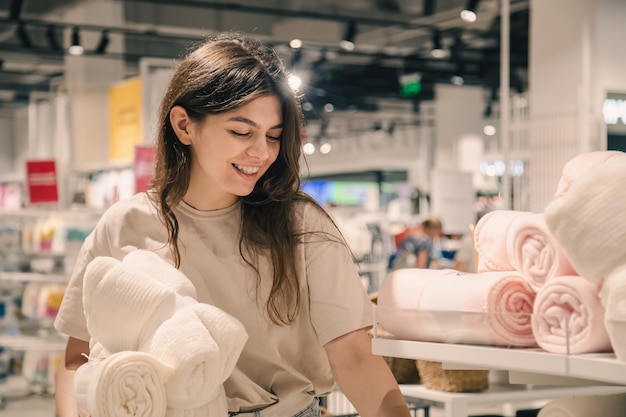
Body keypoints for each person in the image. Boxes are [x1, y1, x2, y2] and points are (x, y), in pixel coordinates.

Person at [53, 32, 411, 417]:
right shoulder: (125, 225)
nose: (261, 152)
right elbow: (78, 358)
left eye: (273, 136)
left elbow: (354, 356)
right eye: (241, 132)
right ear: (184, 125)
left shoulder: (301, 226)